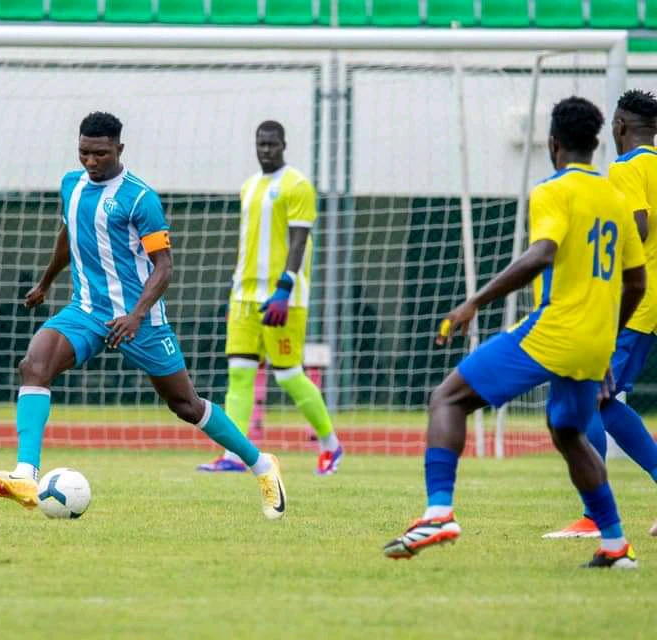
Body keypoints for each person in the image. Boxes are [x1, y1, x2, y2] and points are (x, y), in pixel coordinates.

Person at [0, 112, 286, 519]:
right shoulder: (70, 185)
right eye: (84, 152)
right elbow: (69, 233)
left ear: (119, 149)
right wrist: (47, 282)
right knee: (34, 365)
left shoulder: (141, 199)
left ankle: (262, 465)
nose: (91, 161)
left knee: (186, 405)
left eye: (100, 154)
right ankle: (25, 475)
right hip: (85, 310)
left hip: (141, 320)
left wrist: (136, 316)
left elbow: (164, 266)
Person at [383, 97, 646, 569]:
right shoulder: (615, 198)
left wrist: (474, 302)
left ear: (553, 143)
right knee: (569, 433)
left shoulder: (553, 191)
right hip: (594, 342)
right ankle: (614, 544)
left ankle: (438, 513)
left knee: (448, 398)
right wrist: (608, 338)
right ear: (597, 142)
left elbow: (541, 254)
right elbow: (636, 281)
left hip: (553, 331)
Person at [197, 120, 343, 476]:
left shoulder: (297, 186)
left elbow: (298, 241)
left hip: (283, 298)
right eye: (261, 144)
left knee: (289, 374)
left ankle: (330, 444)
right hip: (244, 296)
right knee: (240, 375)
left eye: (272, 144)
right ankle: (234, 455)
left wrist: (285, 286)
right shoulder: (249, 186)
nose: (266, 150)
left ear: (284, 145)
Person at [544, 89, 657, 540]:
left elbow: (639, 225)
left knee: (597, 395)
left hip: (636, 299)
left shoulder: (627, 168)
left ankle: (595, 517)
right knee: (606, 399)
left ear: (620, 126)